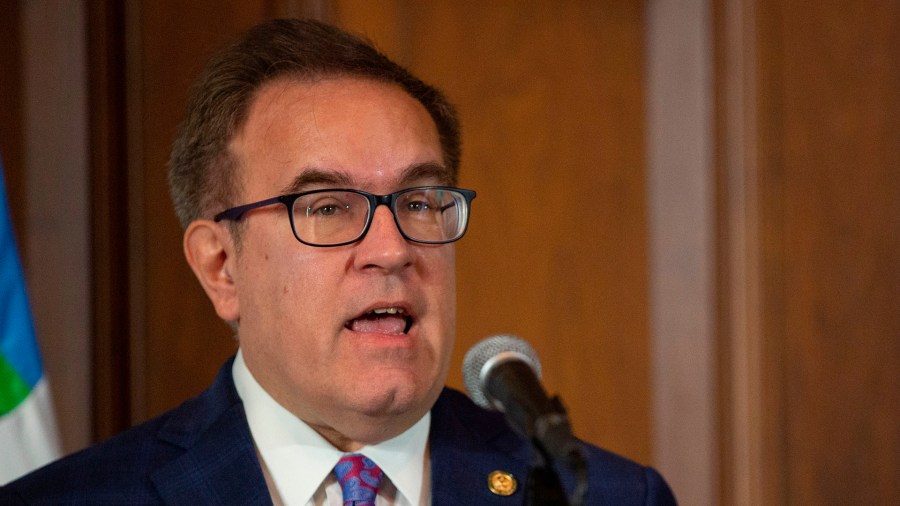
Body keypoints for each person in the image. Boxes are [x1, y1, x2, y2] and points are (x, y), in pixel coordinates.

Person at [1, 18, 676, 505]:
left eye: (419, 201)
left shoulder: (606, 494)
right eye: (327, 208)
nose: (393, 250)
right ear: (220, 267)